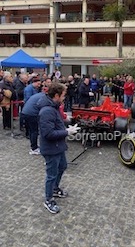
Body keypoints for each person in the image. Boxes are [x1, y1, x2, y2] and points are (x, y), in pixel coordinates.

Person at [38, 83, 80, 214]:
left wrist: (67, 126)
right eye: (63, 95)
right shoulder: (47, 111)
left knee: (62, 166)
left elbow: (57, 123)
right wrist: (67, 132)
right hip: (51, 148)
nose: (64, 97)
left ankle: (55, 189)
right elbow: (48, 134)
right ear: (56, 95)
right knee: (51, 174)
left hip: (58, 146)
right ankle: (48, 199)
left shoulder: (54, 107)